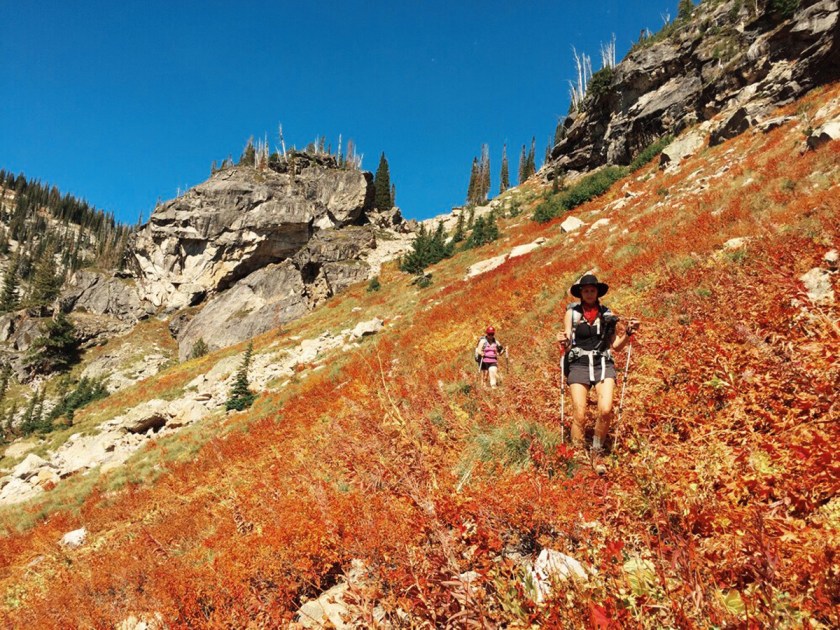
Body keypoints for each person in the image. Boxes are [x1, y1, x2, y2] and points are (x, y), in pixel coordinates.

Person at [560, 274, 639, 474]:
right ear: (580, 293)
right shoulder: (572, 314)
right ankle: (578, 456)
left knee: (605, 410)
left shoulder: (607, 315)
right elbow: (568, 341)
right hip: (578, 364)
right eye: (585, 290)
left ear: (597, 292)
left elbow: (616, 347)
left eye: (592, 290)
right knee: (579, 412)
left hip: (603, 363)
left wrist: (628, 333)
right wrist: (562, 341)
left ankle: (596, 450)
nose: (588, 293)